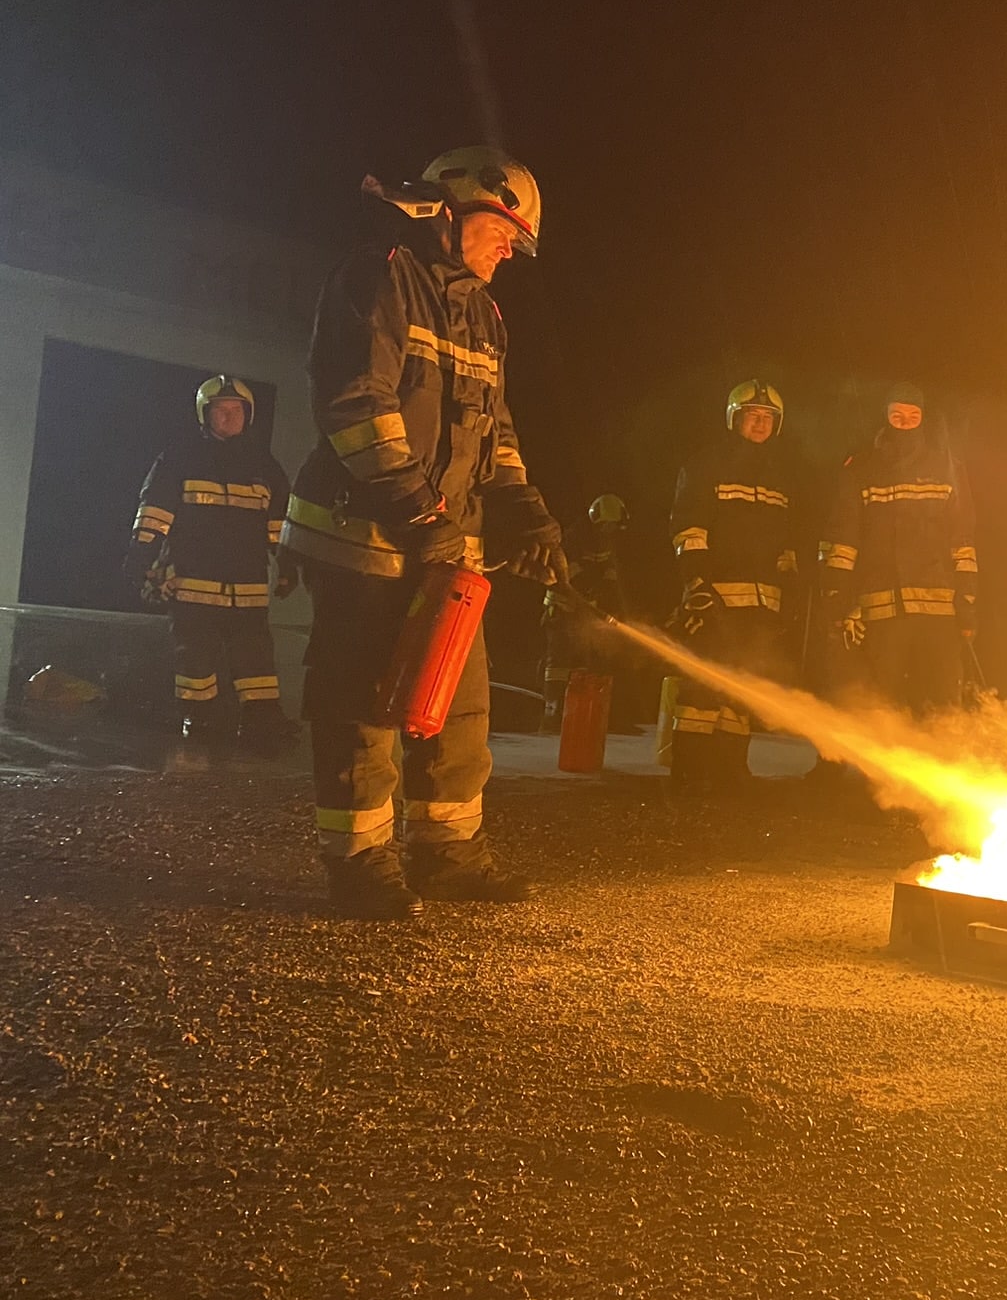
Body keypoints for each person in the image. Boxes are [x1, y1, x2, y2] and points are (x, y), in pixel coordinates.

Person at [279, 146, 568, 919]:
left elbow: (493, 432)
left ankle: (446, 853)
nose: (511, 250)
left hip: (444, 549)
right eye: (506, 232)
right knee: (363, 704)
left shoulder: (482, 309)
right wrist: (420, 513)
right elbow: (354, 406)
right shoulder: (376, 275)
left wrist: (523, 512)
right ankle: (361, 864)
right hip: (366, 539)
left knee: (460, 706)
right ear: (457, 208)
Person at [124, 375, 295, 750]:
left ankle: (262, 721)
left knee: (256, 661)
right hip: (194, 582)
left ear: (247, 416)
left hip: (247, 587)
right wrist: (141, 557)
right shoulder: (180, 458)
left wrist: (288, 567)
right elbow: (154, 511)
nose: (229, 417)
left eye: (236, 411)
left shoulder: (263, 465)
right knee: (195, 659)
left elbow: (281, 523)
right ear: (206, 415)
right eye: (221, 410)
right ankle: (200, 722)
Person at [664, 379, 801, 786]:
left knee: (744, 686)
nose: (759, 424)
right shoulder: (706, 465)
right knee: (706, 683)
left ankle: (728, 771)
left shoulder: (780, 477)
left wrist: (789, 590)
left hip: (764, 602)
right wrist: (697, 582)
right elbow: (688, 528)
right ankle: (690, 772)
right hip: (717, 595)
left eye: (767, 418)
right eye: (752, 416)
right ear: (733, 419)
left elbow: (787, 540)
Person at [818, 383, 977, 714]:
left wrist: (968, 601)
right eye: (897, 416)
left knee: (941, 699)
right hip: (879, 609)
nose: (904, 423)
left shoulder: (947, 468)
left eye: (913, 416)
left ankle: (940, 763)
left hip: (939, 611)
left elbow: (962, 541)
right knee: (882, 699)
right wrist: (836, 598)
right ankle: (880, 766)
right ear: (885, 417)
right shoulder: (861, 470)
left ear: (924, 420)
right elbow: (843, 540)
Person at [539, 493, 630, 732]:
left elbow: (608, 576)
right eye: (608, 525)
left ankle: (583, 716)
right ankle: (552, 713)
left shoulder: (605, 542)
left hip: (585, 611)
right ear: (597, 520)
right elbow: (571, 580)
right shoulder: (574, 538)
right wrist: (592, 600)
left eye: (614, 526)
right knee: (559, 661)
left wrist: (612, 606)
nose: (611, 530)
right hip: (562, 608)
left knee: (589, 660)